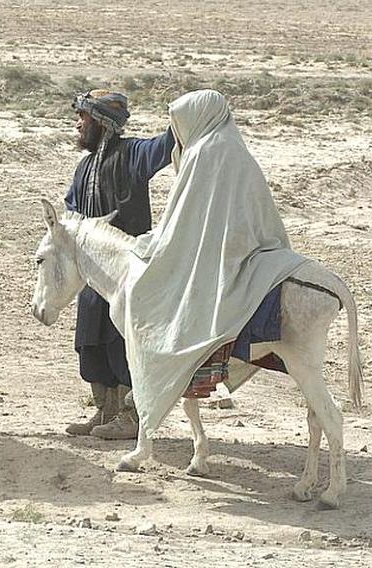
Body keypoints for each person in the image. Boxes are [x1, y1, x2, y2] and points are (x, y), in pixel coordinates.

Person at [121, 89, 306, 439]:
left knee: (155, 295)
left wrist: (155, 245)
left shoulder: (203, 153)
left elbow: (181, 220)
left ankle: (175, 372)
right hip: (251, 246)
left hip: (223, 254)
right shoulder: (235, 148)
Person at [63, 89, 175, 439]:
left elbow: (168, 144)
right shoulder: (83, 167)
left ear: (101, 122)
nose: (78, 124)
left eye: (83, 118)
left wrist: (186, 112)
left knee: (122, 343)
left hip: (129, 276)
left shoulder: (134, 154)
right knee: (91, 341)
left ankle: (131, 416)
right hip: (93, 277)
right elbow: (71, 213)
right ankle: (105, 410)